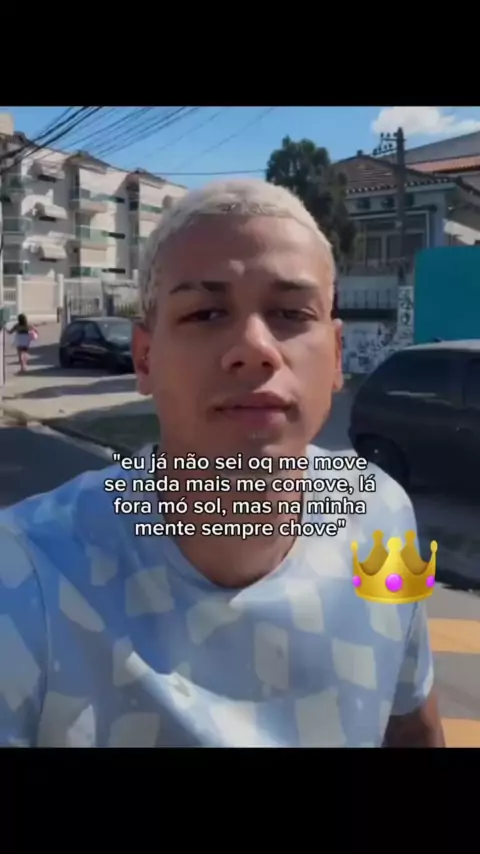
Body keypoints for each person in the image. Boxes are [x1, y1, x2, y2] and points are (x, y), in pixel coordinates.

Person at [0, 179, 445, 748]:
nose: (256, 347)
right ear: (146, 358)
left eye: (290, 312)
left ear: (336, 357)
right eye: (207, 313)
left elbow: (411, 725)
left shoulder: (383, 513)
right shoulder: (26, 577)